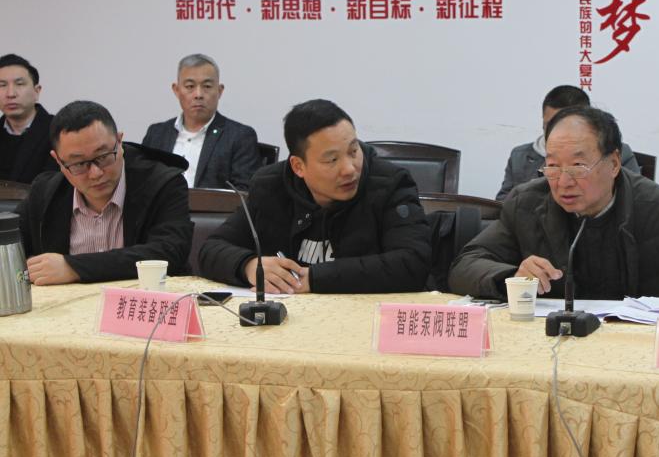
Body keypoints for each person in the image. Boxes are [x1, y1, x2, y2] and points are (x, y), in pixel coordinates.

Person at [451, 106, 659, 303]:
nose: (563, 182)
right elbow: (465, 266)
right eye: (553, 166)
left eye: (578, 166)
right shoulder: (526, 204)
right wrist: (511, 277)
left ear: (614, 163)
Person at [198, 99, 431, 294]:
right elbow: (211, 249)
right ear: (298, 166)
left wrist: (315, 279)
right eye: (332, 160)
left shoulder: (390, 184)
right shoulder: (269, 186)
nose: (349, 169)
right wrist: (249, 266)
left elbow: (413, 263)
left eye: (353, 151)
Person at [16, 100, 193, 285]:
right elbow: (7, 242)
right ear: (59, 161)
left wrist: (73, 267)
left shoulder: (162, 183)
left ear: (119, 142)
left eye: (103, 156)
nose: (96, 173)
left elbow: (169, 252)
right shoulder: (45, 192)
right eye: (79, 164)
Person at [496, 85, 641, 201]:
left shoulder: (614, 153)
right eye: (550, 125)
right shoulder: (520, 155)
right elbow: (503, 204)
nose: (556, 132)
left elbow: (633, 199)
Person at [143, 54, 262, 190]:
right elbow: (142, 184)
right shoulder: (157, 134)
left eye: (207, 86)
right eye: (190, 86)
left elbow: (245, 192)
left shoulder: (239, 136)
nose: (198, 94)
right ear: (176, 90)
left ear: (219, 91)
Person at [0, 54, 58, 183]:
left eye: (19, 84)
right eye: (2, 85)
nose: (11, 94)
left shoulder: (58, 131)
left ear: (37, 91)